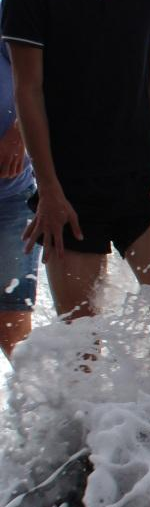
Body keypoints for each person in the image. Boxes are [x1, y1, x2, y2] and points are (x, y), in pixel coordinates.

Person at [1, 0, 150, 361]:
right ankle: (98, 432)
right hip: (69, 192)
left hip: (144, 175)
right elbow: (29, 92)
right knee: (81, 345)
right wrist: (48, 189)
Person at [0, 35, 41, 360]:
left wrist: (19, 134)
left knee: (11, 318)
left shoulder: (6, 21)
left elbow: (44, 77)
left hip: (12, 198)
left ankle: (31, 407)